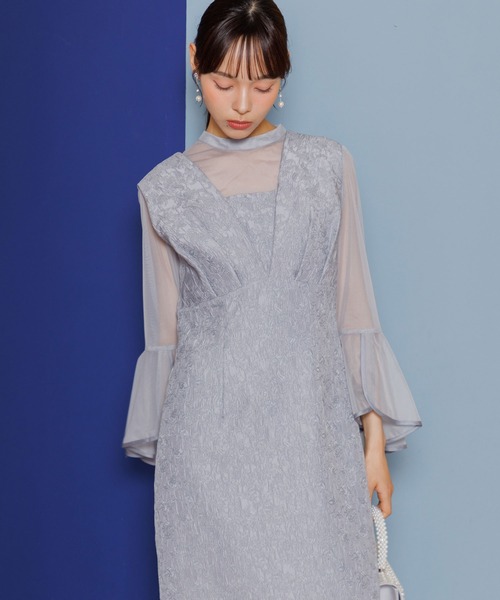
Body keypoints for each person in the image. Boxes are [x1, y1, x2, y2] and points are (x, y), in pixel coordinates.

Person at [122, 0, 422, 597]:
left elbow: (353, 310)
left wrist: (373, 445)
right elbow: (165, 341)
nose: (241, 104)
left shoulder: (326, 166)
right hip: (208, 451)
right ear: (193, 61)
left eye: (263, 85)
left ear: (284, 74)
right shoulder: (164, 190)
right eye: (222, 82)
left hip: (313, 442)